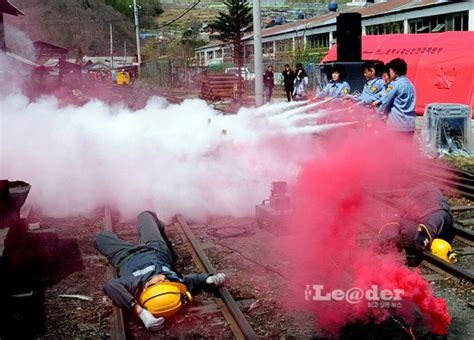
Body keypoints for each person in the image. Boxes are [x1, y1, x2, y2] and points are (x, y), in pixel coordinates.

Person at [95, 211, 226, 331]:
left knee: (101, 237)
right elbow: (193, 281)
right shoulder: (174, 282)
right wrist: (209, 279)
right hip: (156, 248)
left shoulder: (132, 285)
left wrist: (140, 312)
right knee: (145, 215)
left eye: (160, 283)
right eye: (167, 282)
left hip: (125, 255)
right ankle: (159, 227)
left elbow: (110, 286)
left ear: (148, 289)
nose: (164, 278)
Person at [378, 182, 455, 266]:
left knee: (400, 223)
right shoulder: (431, 198)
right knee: (426, 228)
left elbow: (401, 214)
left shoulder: (420, 196)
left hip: (430, 215)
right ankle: (413, 243)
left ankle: (392, 240)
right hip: (435, 215)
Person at [374, 58, 416, 136]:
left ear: (395, 71)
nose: (390, 73)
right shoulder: (411, 85)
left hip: (396, 125)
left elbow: (385, 102)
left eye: (390, 71)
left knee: (393, 148)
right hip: (410, 125)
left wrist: (377, 115)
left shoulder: (394, 84)